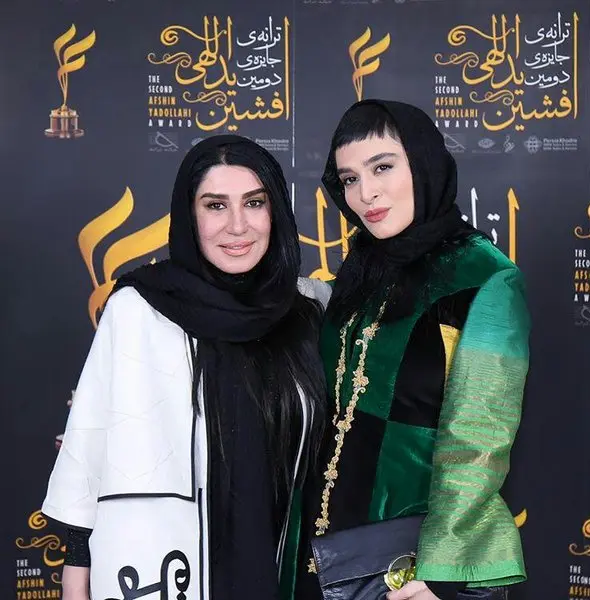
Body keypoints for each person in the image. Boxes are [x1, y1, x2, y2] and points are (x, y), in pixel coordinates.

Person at [42, 135, 331, 600]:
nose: (238, 225)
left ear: (275, 211)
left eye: (254, 203)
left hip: (289, 569)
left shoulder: (310, 309)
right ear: (189, 215)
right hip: (166, 572)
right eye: (216, 206)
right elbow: (90, 439)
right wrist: (77, 561)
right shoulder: (138, 309)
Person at [286, 100, 530, 600]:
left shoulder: (483, 278)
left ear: (422, 163)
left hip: (407, 566)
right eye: (349, 179)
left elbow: (478, 440)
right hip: (320, 551)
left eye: (382, 168)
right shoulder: (363, 268)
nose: (366, 193)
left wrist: (441, 573)